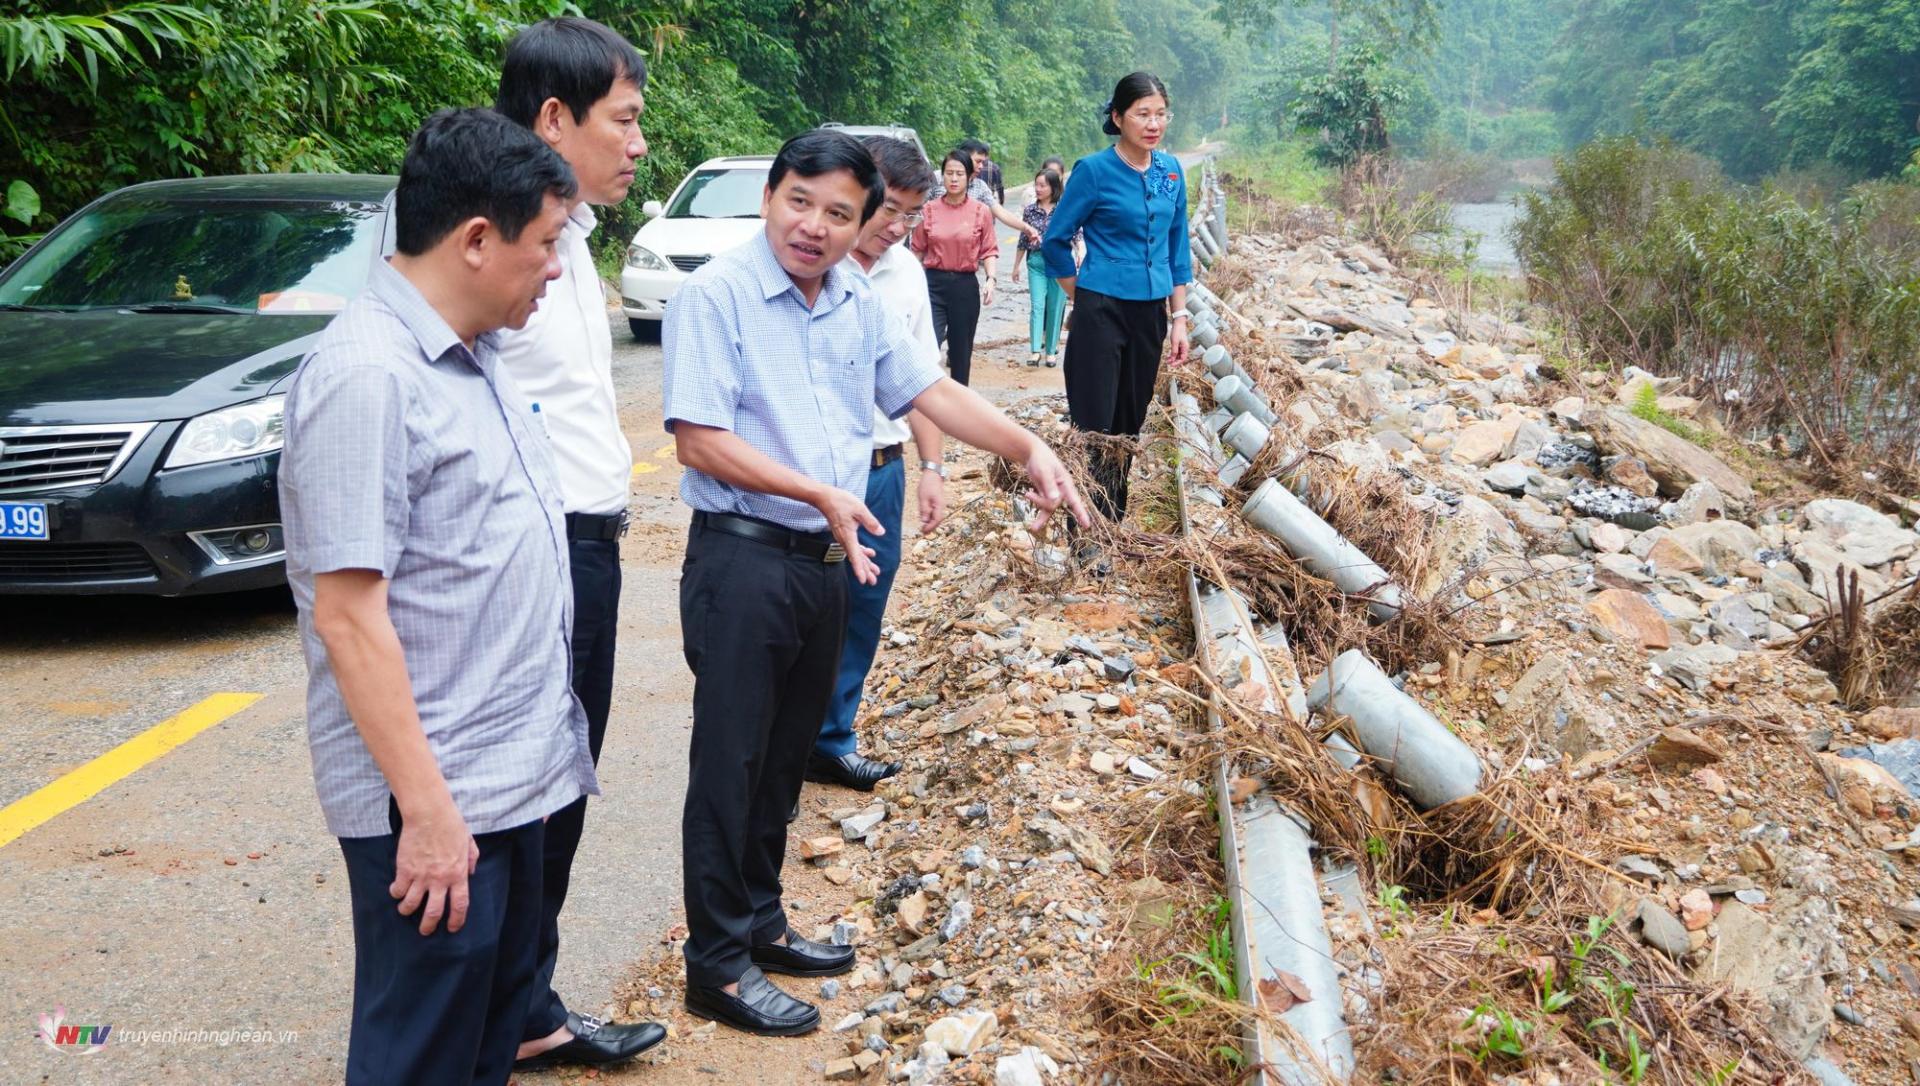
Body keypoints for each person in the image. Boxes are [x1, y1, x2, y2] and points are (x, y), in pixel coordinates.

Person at [662, 128, 1088, 1038]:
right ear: (770, 195)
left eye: (838, 214)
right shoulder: (718, 295)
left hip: (825, 563)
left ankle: (763, 920)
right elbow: (698, 438)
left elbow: (929, 392)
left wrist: (1027, 447)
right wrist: (815, 488)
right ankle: (718, 964)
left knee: (783, 758)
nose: (813, 227)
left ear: (865, 220)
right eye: (798, 203)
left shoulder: (855, 297)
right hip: (743, 559)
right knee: (730, 761)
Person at [279, 108, 596, 1086]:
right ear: (474, 240)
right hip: (438, 807)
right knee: (419, 1056)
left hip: (509, 786)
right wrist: (425, 815)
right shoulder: (367, 378)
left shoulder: (476, 355)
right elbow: (348, 615)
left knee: (483, 1045)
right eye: (545, 244)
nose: (555, 268)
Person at [492, 18, 666, 1072]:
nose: (640, 143)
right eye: (626, 120)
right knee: (530, 789)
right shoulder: (498, 239)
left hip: (583, 540)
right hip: (540, 546)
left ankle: (524, 1000)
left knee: (563, 778)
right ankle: (501, 1009)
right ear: (554, 119)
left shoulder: (570, 233)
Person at [804, 136, 948, 796]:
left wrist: (933, 468)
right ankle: (781, 739)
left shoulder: (906, 275)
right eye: (889, 209)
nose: (896, 227)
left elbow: (923, 382)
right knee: (801, 605)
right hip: (814, 472)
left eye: (910, 216)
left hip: (882, 469)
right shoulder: (809, 268)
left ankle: (832, 739)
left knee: (863, 607)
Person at [1042, 71, 1193, 533]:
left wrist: (1179, 317)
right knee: (1095, 422)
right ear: (1118, 117)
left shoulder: (1170, 172)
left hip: (1151, 314)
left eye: (1160, 114)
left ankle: (1111, 524)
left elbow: (1178, 248)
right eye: (1142, 114)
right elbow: (1055, 241)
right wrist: (1081, 295)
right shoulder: (1094, 171)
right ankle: (1086, 533)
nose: (1153, 123)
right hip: (1100, 310)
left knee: (1129, 421)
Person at [912, 150, 997, 388]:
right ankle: (926, 402)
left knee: (961, 352)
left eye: (960, 173)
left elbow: (989, 249)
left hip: (964, 286)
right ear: (942, 176)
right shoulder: (928, 209)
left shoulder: (981, 211)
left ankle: (959, 409)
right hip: (932, 285)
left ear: (969, 177)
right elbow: (917, 250)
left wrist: (991, 279)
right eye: (949, 173)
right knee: (928, 345)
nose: (954, 178)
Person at [1011, 167, 1068, 368]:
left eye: (1042, 185)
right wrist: (1017, 265)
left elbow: (1076, 233)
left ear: (1053, 187)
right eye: (1036, 184)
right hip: (1036, 263)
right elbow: (1022, 239)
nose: (1038, 189)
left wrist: (1079, 252)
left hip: (1060, 264)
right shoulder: (1030, 210)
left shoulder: (1064, 209)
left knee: (1055, 307)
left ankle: (1051, 352)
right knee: (1037, 305)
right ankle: (1035, 350)